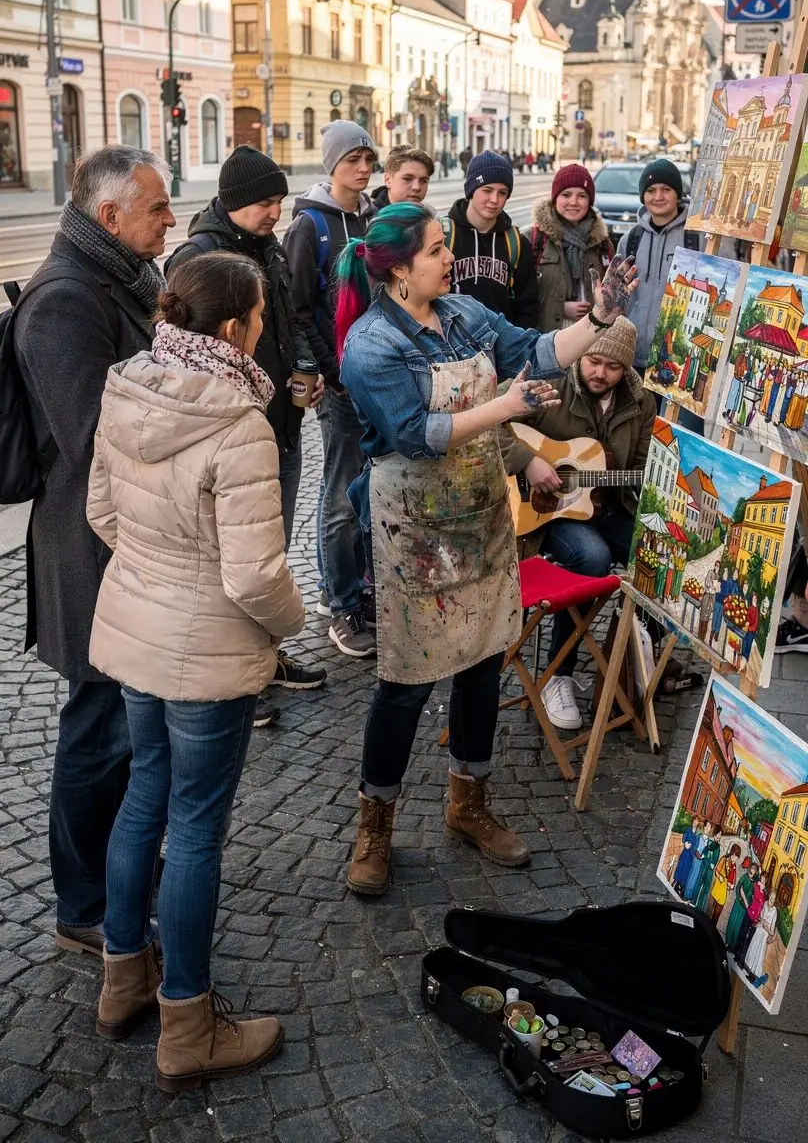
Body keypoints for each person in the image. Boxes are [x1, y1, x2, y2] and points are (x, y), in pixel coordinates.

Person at [334, 201, 638, 895]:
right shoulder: (371, 344)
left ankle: (468, 803)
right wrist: (507, 408)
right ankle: (374, 824)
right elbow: (417, 433)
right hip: (414, 531)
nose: (451, 259)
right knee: (405, 685)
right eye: (438, 249)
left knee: (478, 668)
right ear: (401, 270)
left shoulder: (465, 313)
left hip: (479, 520)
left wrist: (598, 321)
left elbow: (531, 350)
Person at [86, 252, 305, 1088]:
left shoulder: (130, 383)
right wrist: (292, 630)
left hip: (139, 626)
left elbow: (101, 508)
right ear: (232, 329)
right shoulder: (239, 422)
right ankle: (187, 1022)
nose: (262, 330)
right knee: (197, 827)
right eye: (256, 318)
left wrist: (153, 569)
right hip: (207, 646)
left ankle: (122, 982)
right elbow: (253, 577)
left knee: (145, 796)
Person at [13, 146, 176, 960]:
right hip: (88, 548)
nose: (171, 219)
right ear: (109, 216)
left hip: (120, 540)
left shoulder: (119, 276)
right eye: (157, 208)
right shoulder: (64, 299)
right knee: (97, 727)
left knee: (118, 726)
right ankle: (82, 903)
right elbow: (91, 438)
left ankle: (117, 880)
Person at [165, 145, 326, 713]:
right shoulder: (198, 256)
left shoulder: (268, 248)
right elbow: (186, 355)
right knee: (230, 560)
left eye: (280, 201)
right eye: (265, 202)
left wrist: (307, 366)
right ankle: (238, 678)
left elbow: (291, 320)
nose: (275, 212)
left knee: (270, 548)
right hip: (228, 437)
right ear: (234, 203)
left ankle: (266, 657)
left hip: (280, 422)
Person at [502, 317, 656, 730]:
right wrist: (528, 462)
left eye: (612, 366)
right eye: (593, 360)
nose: (599, 373)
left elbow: (641, 470)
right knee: (592, 557)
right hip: (547, 513)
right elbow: (491, 422)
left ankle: (636, 661)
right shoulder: (551, 381)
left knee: (656, 556)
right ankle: (558, 675)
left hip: (609, 505)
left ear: (626, 369)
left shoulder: (641, 404)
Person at [284, 120, 377, 659]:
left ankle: (356, 590)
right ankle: (339, 602)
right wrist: (328, 370)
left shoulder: (369, 216)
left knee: (366, 491)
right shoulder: (310, 225)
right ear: (331, 164)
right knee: (341, 495)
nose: (362, 169)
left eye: (367, 159)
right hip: (340, 382)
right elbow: (299, 308)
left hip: (372, 376)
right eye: (352, 160)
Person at [616, 159, 698, 373]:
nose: (658, 197)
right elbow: (617, 296)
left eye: (666, 189)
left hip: (676, 359)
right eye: (651, 190)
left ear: (677, 193)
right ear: (643, 195)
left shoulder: (696, 239)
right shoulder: (630, 240)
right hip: (631, 356)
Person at [444, 150, 539, 327]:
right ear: (471, 191)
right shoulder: (442, 235)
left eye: (502, 193)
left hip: (502, 346)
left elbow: (528, 306)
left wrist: (516, 348)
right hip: (449, 347)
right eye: (487, 190)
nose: (494, 199)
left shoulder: (517, 243)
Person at [529, 163, 613, 333]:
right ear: (555, 198)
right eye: (566, 195)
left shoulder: (602, 244)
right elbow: (524, 300)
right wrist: (562, 307)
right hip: (548, 338)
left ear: (589, 201)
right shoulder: (535, 240)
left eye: (581, 195)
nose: (573, 202)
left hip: (591, 341)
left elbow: (612, 297)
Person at [371, 145, 434, 210]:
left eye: (424, 181)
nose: (417, 187)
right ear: (388, 180)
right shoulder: (367, 217)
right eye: (408, 179)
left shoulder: (428, 218)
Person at [743, 887, 777, 986]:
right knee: (753, 949)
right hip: (759, 930)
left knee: (759, 953)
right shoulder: (765, 904)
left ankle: (755, 975)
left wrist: (767, 927)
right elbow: (760, 916)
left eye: (774, 899)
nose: (772, 901)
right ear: (769, 896)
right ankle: (750, 972)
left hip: (764, 934)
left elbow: (772, 928)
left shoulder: (774, 911)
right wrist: (760, 921)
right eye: (771, 898)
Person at [725, 859, 760, 952]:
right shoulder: (744, 877)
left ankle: (732, 945)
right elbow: (738, 889)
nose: (752, 870)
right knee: (732, 922)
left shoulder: (754, 884)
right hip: (738, 903)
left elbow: (753, 897)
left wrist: (748, 905)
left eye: (754, 869)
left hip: (745, 907)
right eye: (751, 868)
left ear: (756, 872)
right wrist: (740, 899)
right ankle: (727, 942)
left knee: (738, 926)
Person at [709, 843, 741, 924]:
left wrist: (731, 885)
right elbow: (716, 871)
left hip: (724, 890)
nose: (734, 859)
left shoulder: (734, 866)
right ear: (731, 853)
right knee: (711, 908)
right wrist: (720, 877)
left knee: (718, 910)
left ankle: (713, 924)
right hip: (718, 886)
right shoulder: (724, 859)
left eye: (736, 857)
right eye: (733, 856)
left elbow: (732, 879)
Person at [672, 815, 702, 899]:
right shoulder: (688, 829)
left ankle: (681, 888)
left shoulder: (697, 833)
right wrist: (686, 843)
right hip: (685, 853)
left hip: (691, 855)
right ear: (692, 821)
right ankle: (676, 885)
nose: (695, 822)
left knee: (687, 871)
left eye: (697, 821)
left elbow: (696, 844)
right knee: (681, 868)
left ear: (698, 822)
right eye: (694, 820)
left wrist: (692, 846)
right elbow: (684, 838)